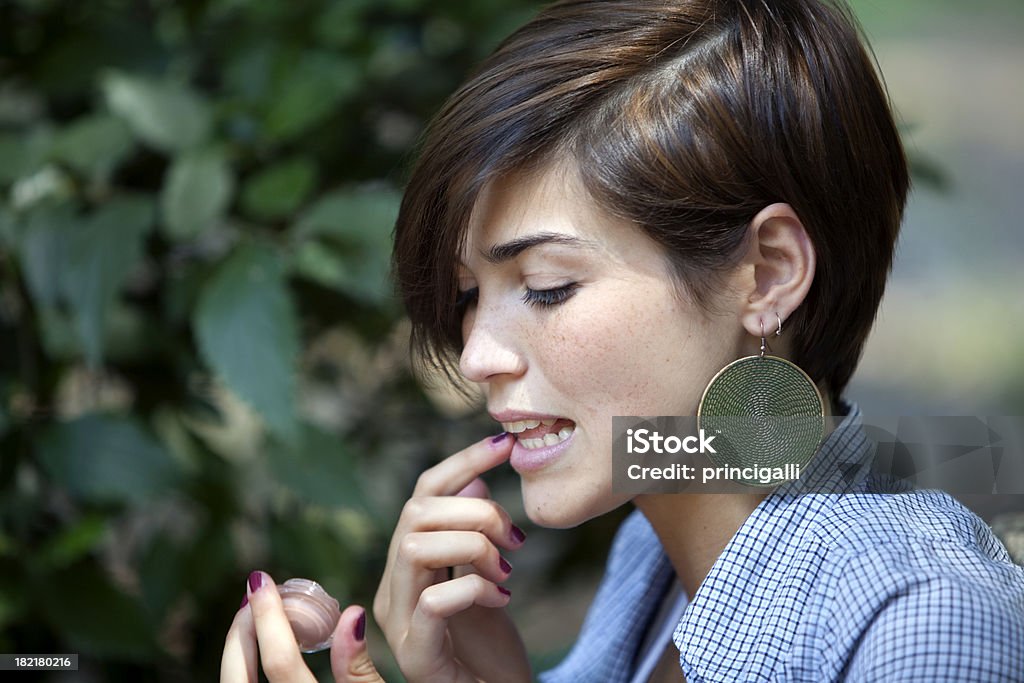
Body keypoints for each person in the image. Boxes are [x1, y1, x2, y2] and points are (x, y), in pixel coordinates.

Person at [221, 0, 1024, 681]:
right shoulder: (654, 551)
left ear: (768, 273)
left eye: (546, 285)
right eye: (470, 295)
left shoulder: (921, 620)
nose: (475, 356)